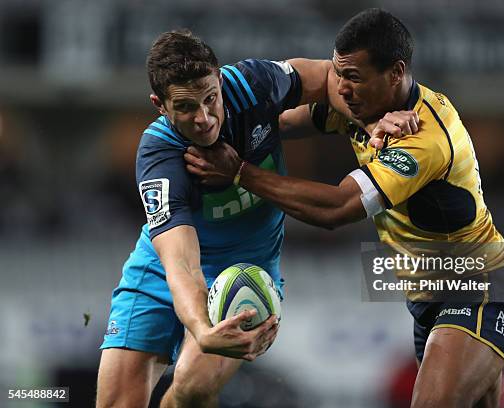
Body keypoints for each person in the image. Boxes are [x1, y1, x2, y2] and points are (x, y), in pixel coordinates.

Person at [184, 9, 504, 408]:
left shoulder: (424, 138)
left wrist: (240, 172)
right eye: (338, 73)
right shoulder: (363, 109)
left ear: (396, 72)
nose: (341, 89)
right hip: (429, 295)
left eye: (354, 78)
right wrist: (206, 124)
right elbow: (274, 123)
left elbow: (338, 208)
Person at [97, 29, 418, 408]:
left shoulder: (252, 84)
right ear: (159, 105)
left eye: (210, 99)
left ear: (220, 79)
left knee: (190, 390)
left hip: (245, 275)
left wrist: (370, 119)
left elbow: (328, 77)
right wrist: (201, 329)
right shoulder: (160, 157)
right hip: (161, 274)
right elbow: (181, 264)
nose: (203, 118)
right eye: (185, 107)